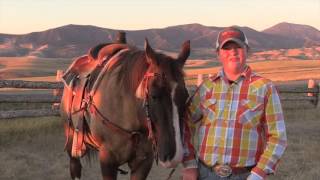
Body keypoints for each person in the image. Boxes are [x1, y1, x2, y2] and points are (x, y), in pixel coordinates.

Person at [181, 26, 287, 180]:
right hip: (205, 174)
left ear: (247, 50)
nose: (233, 51)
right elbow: (185, 125)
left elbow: (278, 137)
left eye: (238, 46)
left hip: (245, 175)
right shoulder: (206, 88)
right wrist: (189, 165)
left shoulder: (265, 88)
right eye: (226, 48)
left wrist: (258, 174)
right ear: (218, 54)